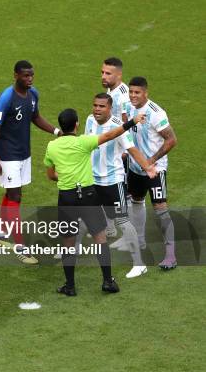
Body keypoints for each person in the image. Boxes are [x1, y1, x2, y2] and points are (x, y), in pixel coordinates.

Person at [44, 107, 145, 296]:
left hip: (66, 197)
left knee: (68, 243)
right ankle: (108, 281)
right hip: (88, 196)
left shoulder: (52, 146)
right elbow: (110, 135)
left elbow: (51, 175)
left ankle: (70, 286)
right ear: (76, 125)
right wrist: (131, 122)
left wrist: (67, 177)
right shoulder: (84, 142)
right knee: (100, 239)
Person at [0, 60, 60, 264]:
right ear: (16, 75)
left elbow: (35, 117)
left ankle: (1, 235)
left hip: (24, 154)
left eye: (31, 75)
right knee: (16, 195)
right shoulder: (6, 98)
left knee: (11, 193)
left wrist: (56, 131)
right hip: (8, 155)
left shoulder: (33, 94)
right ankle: (20, 246)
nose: (29, 79)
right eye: (25, 76)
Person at [83, 93, 156, 278]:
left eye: (101, 106)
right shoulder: (89, 120)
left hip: (112, 182)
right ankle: (69, 250)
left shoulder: (118, 126)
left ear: (109, 108)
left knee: (123, 221)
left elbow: (132, 150)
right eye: (95, 105)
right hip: (92, 180)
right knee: (83, 215)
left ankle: (139, 264)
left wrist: (147, 167)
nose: (97, 109)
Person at [126, 77, 178, 270]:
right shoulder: (129, 108)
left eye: (137, 92)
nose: (133, 95)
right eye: (131, 92)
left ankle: (170, 255)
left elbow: (171, 140)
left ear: (145, 93)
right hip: (135, 168)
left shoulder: (156, 113)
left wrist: (151, 160)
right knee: (136, 201)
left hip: (155, 170)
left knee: (160, 209)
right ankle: (139, 242)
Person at [101, 57, 130, 122]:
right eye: (102, 72)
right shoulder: (111, 87)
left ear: (119, 75)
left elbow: (126, 124)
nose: (103, 77)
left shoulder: (124, 97)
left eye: (108, 73)